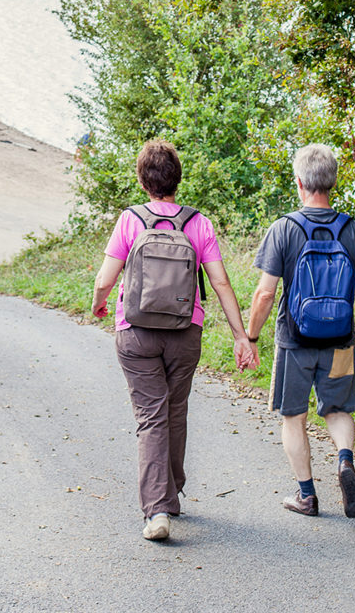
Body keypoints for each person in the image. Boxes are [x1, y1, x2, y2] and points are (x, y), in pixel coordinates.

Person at [92, 139, 255, 541]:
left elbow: (105, 278)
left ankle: (158, 510)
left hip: (136, 332)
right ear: (177, 180)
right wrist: (241, 335)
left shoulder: (130, 220)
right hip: (185, 332)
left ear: (143, 180)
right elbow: (219, 281)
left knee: (151, 417)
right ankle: (173, 490)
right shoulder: (198, 223)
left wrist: (99, 304)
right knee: (175, 410)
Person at [246, 143, 355, 519]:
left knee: (294, 416)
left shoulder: (284, 228)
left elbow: (265, 293)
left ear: (300, 181)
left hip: (295, 340)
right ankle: (344, 460)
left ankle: (307, 496)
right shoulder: (352, 230)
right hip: (339, 340)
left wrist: (251, 338)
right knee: (338, 409)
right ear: (332, 182)